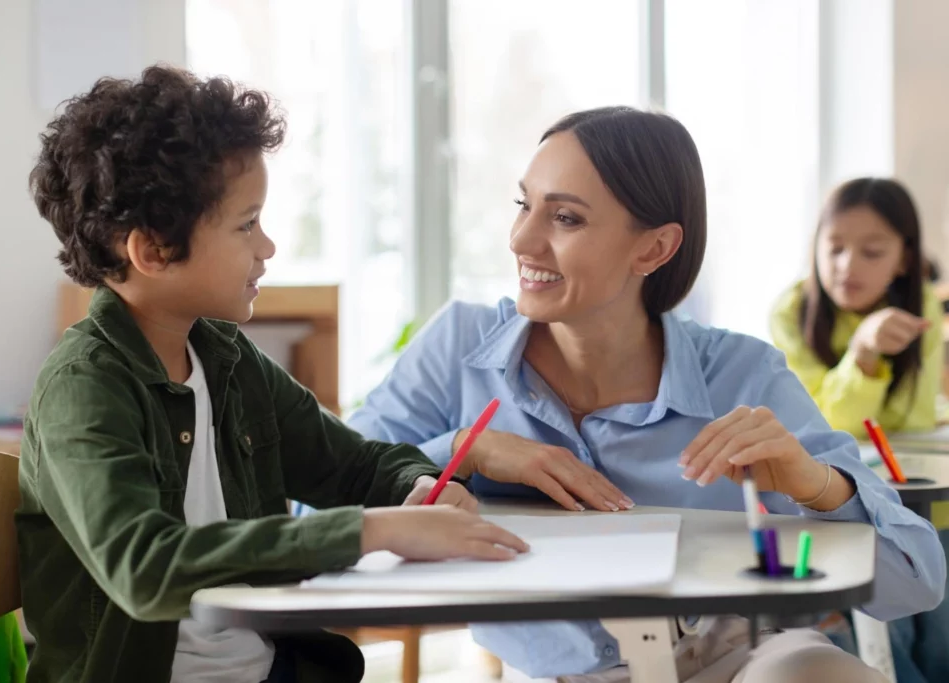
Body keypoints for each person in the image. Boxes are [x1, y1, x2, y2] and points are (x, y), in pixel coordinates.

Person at [344, 107, 945, 682]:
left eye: (566, 218)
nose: (522, 240)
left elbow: (916, 580)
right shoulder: (457, 349)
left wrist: (814, 484)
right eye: (524, 205)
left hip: (742, 661)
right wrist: (463, 451)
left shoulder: (740, 373)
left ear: (654, 248)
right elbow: (313, 513)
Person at [16, 65, 527, 683]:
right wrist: (371, 530)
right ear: (152, 251)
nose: (268, 247)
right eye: (246, 224)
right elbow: (145, 569)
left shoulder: (225, 358)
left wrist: (416, 486)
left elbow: (353, 464)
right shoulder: (85, 389)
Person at [771, 177, 949, 683]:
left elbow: (910, 425)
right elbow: (820, 430)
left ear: (904, 260)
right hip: (841, 508)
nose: (847, 266)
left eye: (872, 252)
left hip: (923, 502)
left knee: (938, 619)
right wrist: (864, 355)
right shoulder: (791, 314)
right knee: (886, 614)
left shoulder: (923, 312)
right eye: (835, 248)